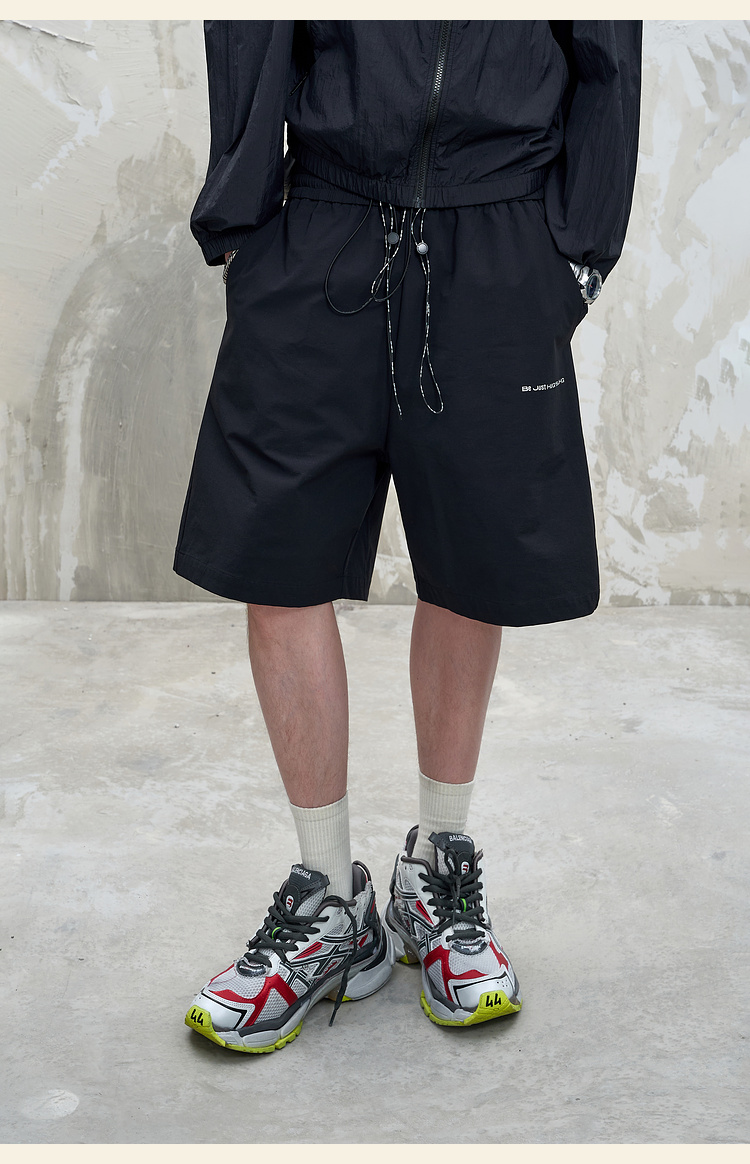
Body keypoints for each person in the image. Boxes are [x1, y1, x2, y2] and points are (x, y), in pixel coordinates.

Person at [175, 19, 643, 1053]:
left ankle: (438, 869)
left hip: (501, 232)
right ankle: (327, 900)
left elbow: (608, 45)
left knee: (473, 567)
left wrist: (579, 252)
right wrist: (243, 229)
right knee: (278, 563)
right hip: (321, 220)